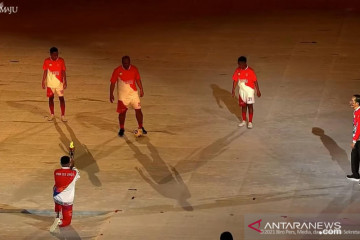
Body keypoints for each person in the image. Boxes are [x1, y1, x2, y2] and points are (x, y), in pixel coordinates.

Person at [109, 56, 147, 137]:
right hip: (122, 96)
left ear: (130, 62)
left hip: (133, 93)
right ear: (122, 62)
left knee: (138, 111)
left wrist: (141, 89)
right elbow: (112, 83)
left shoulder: (134, 69)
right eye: (125, 63)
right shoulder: (117, 70)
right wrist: (111, 94)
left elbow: (137, 79)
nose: (126, 64)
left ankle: (140, 127)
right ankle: (122, 128)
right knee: (122, 113)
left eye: (127, 63)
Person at [50, 156, 80, 232]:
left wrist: (70, 164)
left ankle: (57, 216)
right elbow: (76, 173)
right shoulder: (74, 173)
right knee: (67, 221)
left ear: (60, 163)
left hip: (56, 197)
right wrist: (73, 164)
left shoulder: (56, 172)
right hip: (67, 201)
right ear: (69, 163)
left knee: (58, 205)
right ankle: (59, 221)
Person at [232, 56, 261, 129]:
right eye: (239, 64)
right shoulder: (238, 70)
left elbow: (255, 81)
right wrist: (233, 90)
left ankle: (250, 122)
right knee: (243, 106)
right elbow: (235, 80)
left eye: (241, 64)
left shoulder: (251, 71)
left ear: (245, 63)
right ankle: (244, 121)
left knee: (250, 106)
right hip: (242, 91)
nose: (240, 66)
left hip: (249, 91)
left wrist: (258, 90)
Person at [42, 47, 67, 122]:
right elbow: (45, 71)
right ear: (50, 54)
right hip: (50, 83)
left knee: (61, 99)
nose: (55, 56)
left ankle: (63, 115)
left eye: (57, 55)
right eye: (54, 55)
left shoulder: (61, 61)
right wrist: (43, 81)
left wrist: (65, 81)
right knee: (51, 98)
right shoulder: (46, 61)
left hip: (59, 83)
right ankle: (52, 114)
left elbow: (63, 71)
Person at [347, 94, 360, 181]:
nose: (350, 102)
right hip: (357, 138)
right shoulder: (355, 111)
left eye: (353, 101)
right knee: (354, 156)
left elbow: (359, 128)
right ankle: (355, 175)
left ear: (358, 103)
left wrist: (354, 141)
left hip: (359, 139)